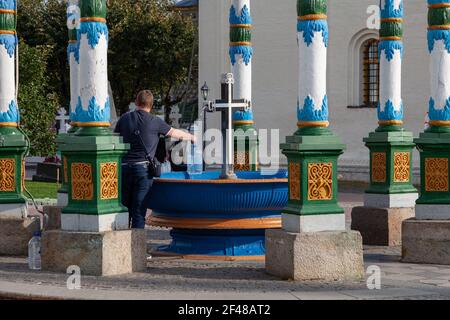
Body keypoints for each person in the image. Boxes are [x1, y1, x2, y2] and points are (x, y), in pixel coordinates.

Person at [114, 90, 195, 229]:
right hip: (143, 171)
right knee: (139, 212)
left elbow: (114, 138)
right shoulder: (155, 121)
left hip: (124, 168)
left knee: (124, 210)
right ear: (151, 105)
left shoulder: (124, 119)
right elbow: (175, 133)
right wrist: (193, 137)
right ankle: (136, 249)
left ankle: (123, 246)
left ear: (136, 102)